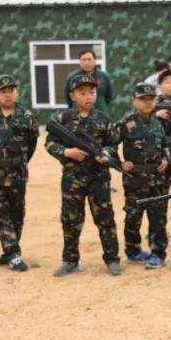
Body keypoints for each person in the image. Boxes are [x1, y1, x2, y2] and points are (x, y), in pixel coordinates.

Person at [46, 73, 122, 277]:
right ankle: (70, 261)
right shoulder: (62, 119)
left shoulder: (104, 119)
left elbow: (113, 143)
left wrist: (106, 154)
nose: (89, 96)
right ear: (72, 96)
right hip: (73, 179)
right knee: (70, 220)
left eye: (92, 92)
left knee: (105, 219)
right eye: (83, 93)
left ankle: (112, 259)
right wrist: (66, 152)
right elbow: (50, 143)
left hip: (99, 178)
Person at [0, 74, 38, 272]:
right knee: (0, 211)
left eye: (11, 90)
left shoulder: (27, 116)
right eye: (3, 91)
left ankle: (8, 249)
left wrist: (17, 160)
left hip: (17, 171)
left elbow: (32, 144)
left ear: (17, 92)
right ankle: (13, 253)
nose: (8, 94)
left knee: (17, 213)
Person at [118, 82, 171, 269]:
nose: (148, 102)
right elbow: (108, 144)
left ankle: (158, 254)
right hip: (134, 180)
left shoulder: (158, 123)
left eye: (151, 99)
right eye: (143, 99)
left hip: (157, 179)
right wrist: (119, 163)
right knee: (133, 216)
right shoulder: (126, 123)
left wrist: (166, 157)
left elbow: (164, 144)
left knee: (158, 218)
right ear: (134, 100)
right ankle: (133, 251)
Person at [64, 49, 114, 113]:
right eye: (83, 60)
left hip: (100, 114)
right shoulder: (72, 77)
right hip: (78, 115)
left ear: (95, 60)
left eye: (89, 59)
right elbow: (68, 97)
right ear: (80, 61)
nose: (86, 62)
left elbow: (109, 96)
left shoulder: (104, 76)